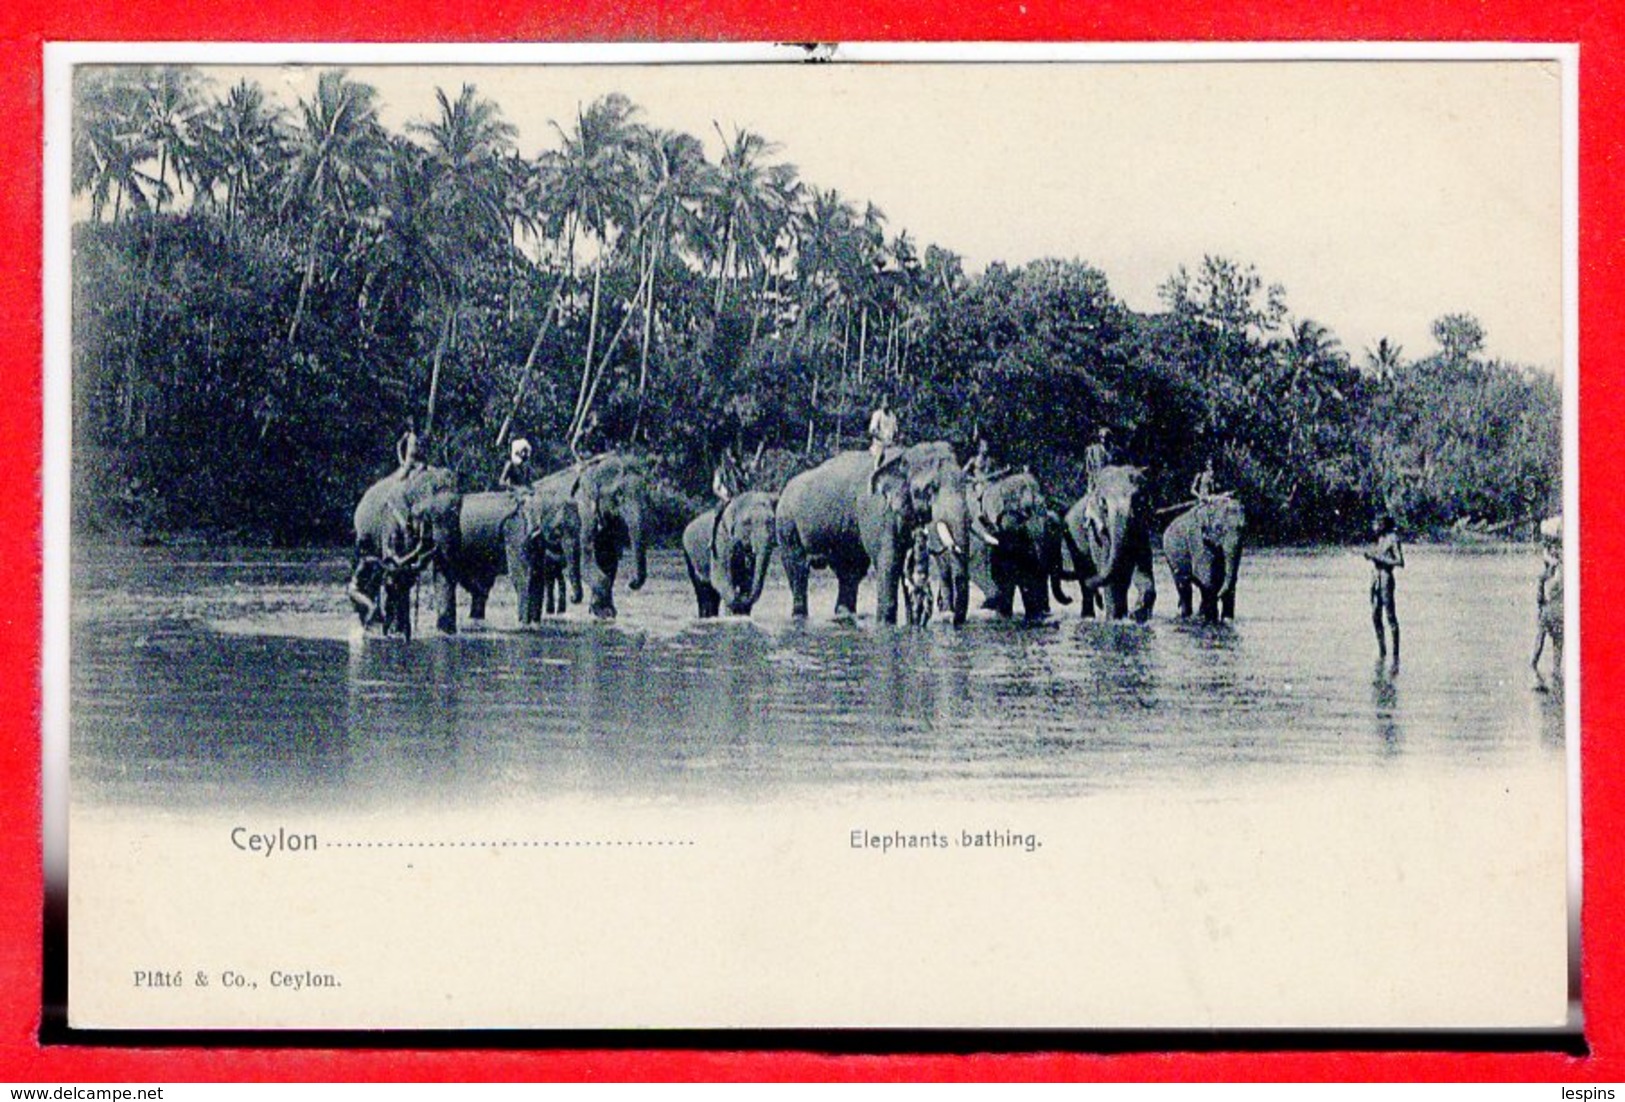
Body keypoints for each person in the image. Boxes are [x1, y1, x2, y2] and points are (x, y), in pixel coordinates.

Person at [1364, 513, 1404, 668]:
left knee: (1390, 615)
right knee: (1375, 614)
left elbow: (1400, 561)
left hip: (1386, 577)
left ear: (1383, 524)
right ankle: (1382, 651)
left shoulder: (1393, 538)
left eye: (1377, 523)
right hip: (1375, 577)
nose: (1374, 526)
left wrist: (1379, 558)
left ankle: (1395, 655)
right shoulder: (1378, 538)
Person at [1532, 516, 1563, 690]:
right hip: (1560, 610)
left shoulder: (1547, 571)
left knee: (1540, 640)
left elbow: (1540, 596)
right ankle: (1557, 680)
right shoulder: (1562, 564)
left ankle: (1534, 669)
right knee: (1558, 647)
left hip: (1548, 610)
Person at [902, 524, 934, 627]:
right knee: (916, 606)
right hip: (915, 579)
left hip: (925, 580)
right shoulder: (911, 552)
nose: (921, 542)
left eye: (923, 539)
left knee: (929, 604)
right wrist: (909, 581)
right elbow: (906, 567)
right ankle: (915, 627)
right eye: (918, 539)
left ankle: (923, 625)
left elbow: (935, 556)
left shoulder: (927, 550)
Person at [868, 394, 899, 471]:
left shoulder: (893, 416)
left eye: (888, 402)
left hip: (890, 444)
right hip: (879, 444)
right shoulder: (878, 414)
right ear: (881, 403)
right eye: (884, 402)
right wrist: (882, 438)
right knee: (880, 454)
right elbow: (873, 430)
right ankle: (875, 473)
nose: (886, 404)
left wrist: (896, 439)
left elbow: (895, 431)